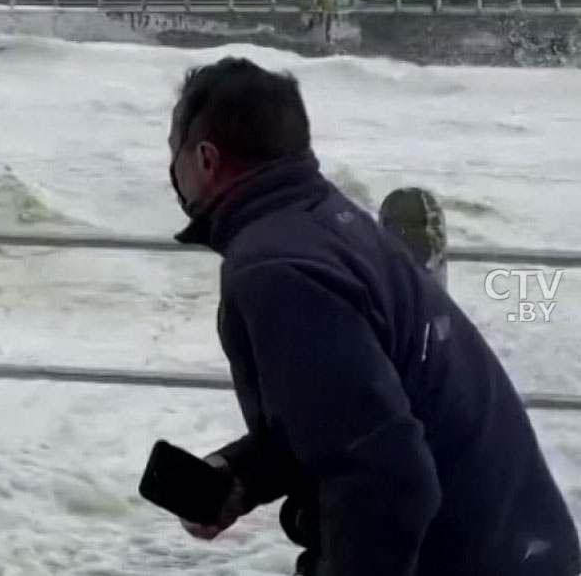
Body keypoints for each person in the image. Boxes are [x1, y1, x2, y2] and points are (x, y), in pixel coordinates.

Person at [167, 56, 578, 576]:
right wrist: (243, 475)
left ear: (205, 159)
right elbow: (350, 415)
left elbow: (386, 478)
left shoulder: (277, 268)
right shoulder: (325, 223)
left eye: (171, 146)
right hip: (519, 544)